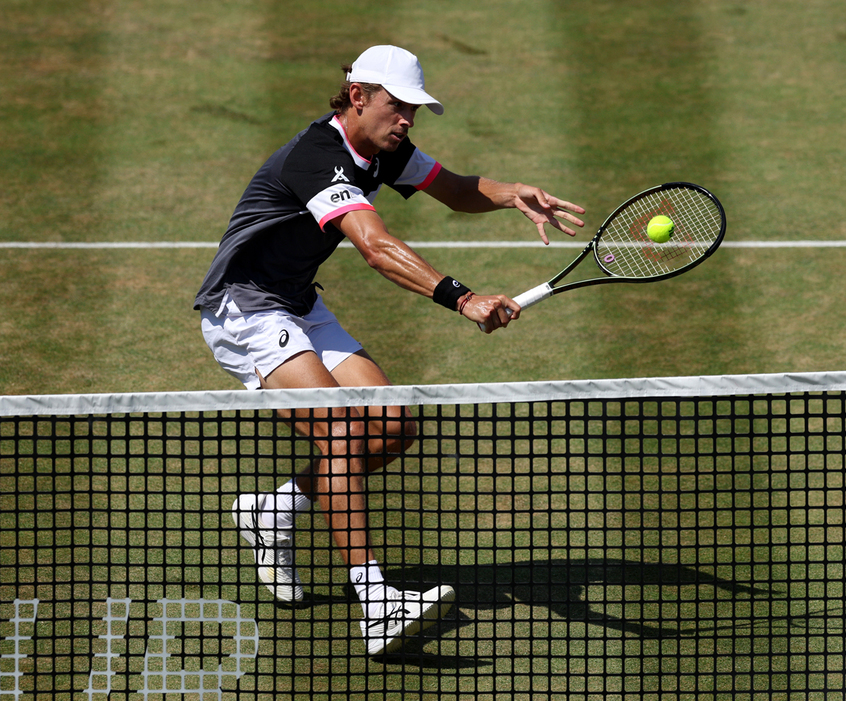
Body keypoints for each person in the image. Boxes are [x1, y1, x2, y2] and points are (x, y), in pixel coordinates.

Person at [194, 45, 585, 656]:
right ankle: (377, 603)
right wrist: (463, 298)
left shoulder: (385, 149)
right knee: (342, 432)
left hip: (298, 302)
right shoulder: (317, 158)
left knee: (393, 426)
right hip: (243, 309)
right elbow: (375, 247)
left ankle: (274, 512)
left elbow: (452, 188)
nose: (406, 119)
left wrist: (512, 193)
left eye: (413, 110)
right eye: (397, 106)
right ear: (358, 97)